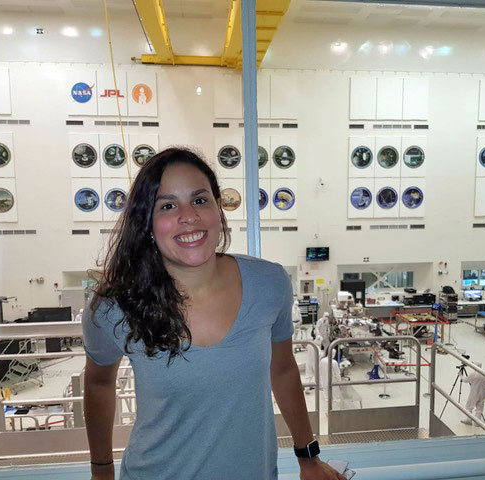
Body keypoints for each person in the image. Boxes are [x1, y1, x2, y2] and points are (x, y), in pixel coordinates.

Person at [83, 148, 344, 480]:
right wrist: (101, 471)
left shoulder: (268, 284)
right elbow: (98, 385)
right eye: (167, 206)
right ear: (146, 223)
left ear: (219, 208)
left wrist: (308, 457)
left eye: (200, 200)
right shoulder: (114, 306)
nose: (188, 216)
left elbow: (282, 370)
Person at [460, 362, 485, 426]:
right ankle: (477, 422)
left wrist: (461, 375)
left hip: (474, 393)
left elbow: (465, 380)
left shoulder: (473, 374)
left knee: (469, 406)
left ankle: (469, 420)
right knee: (479, 408)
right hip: (483, 393)